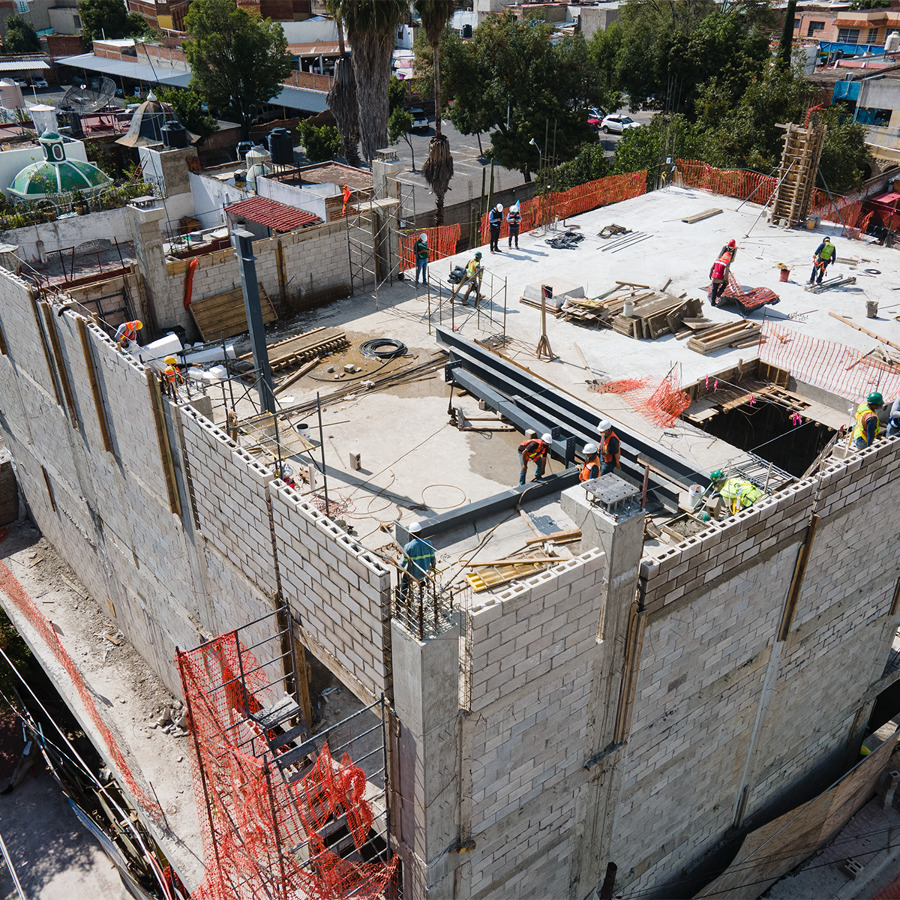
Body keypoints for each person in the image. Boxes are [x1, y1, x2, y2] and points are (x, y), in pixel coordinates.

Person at [400, 522, 436, 599]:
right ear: (420, 532)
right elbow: (433, 558)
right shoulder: (428, 543)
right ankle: (421, 598)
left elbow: (403, 562)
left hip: (412, 573)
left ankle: (402, 600)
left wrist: (400, 569)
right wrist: (433, 566)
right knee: (421, 583)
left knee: (404, 582)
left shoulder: (408, 547)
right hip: (425, 572)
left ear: (411, 534)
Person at [709, 240, 736, 307]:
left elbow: (711, 268)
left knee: (714, 289)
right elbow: (725, 273)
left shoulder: (717, 260)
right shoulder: (726, 264)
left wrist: (710, 275)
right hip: (719, 278)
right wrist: (725, 280)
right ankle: (719, 293)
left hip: (714, 277)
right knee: (725, 284)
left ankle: (713, 302)